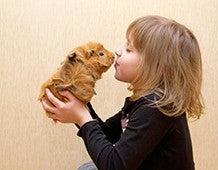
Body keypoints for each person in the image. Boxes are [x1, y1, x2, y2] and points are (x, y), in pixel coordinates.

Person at [42, 15, 204, 170]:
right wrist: (80, 105)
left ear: (157, 67)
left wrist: (83, 117)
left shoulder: (157, 107)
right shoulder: (143, 102)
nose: (118, 51)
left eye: (129, 49)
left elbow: (113, 165)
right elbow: (107, 134)